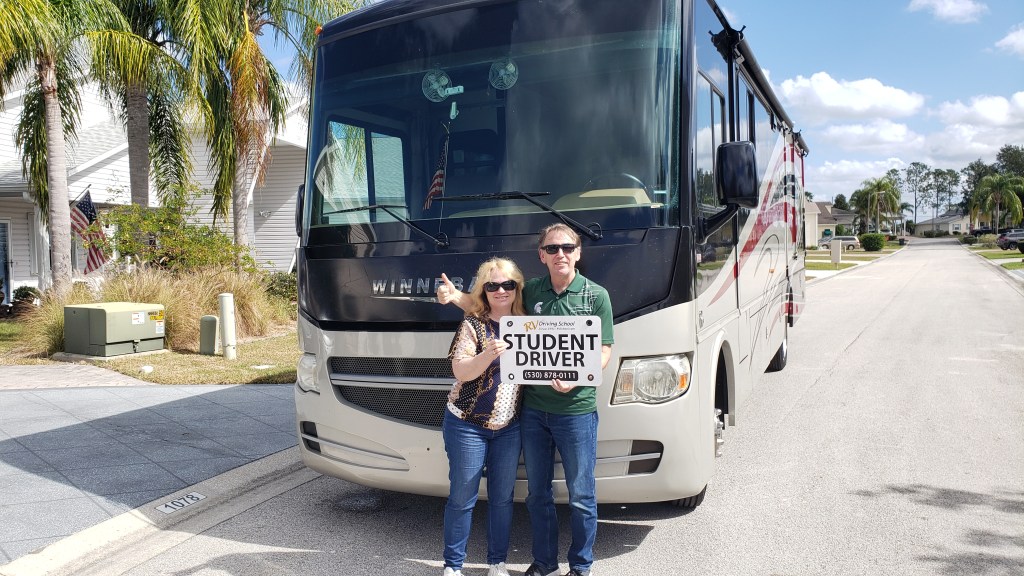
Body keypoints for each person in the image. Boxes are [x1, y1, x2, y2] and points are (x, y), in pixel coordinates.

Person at [437, 223, 614, 576]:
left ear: (578, 252)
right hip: (532, 413)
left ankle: (581, 566)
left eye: (566, 247)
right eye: (552, 248)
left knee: (581, 495)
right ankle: (545, 563)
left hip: (576, 411)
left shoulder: (597, 296)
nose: (559, 253)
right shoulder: (530, 292)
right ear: (542, 255)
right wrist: (456, 297)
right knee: (537, 495)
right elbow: (490, 301)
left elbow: (604, 349)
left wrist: (577, 376)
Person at [441, 257, 527, 576]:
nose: (501, 290)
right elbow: (460, 370)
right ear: (484, 290)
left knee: (502, 498)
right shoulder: (473, 324)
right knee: (463, 496)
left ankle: (497, 562)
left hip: (509, 427)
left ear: (517, 287)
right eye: (492, 285)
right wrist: (488, 355)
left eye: (508, 284)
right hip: (466, 424)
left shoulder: (530, 323)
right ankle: (453, 565)